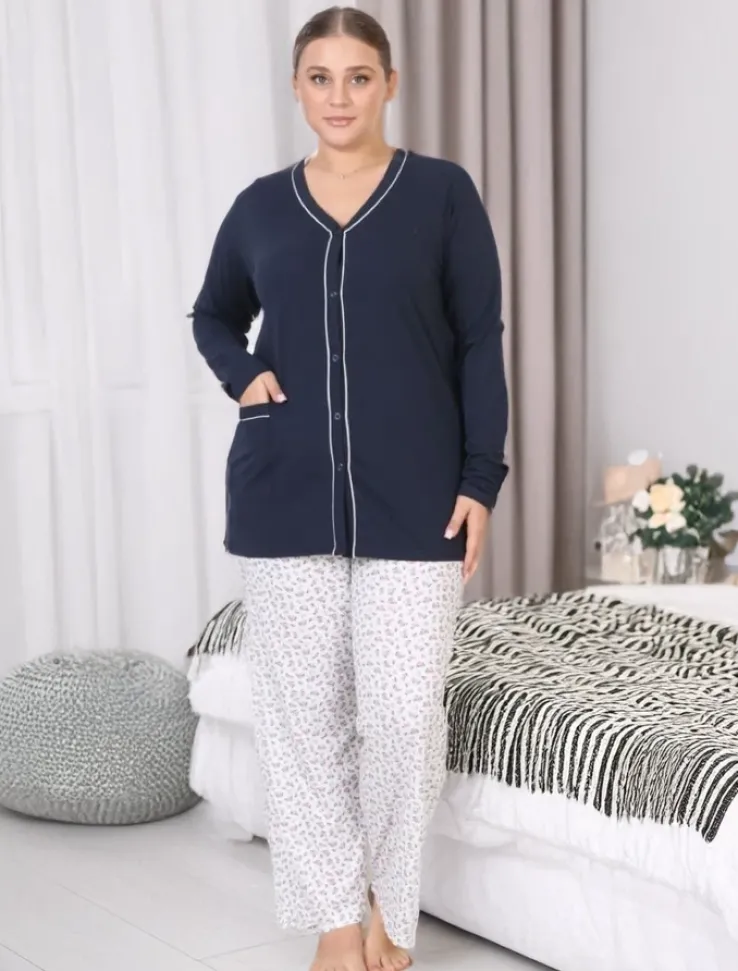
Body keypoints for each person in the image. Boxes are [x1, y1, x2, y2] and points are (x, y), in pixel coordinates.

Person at [190, 6, 508, 970]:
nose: (339, 96)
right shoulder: (259, 207)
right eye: (320, 78)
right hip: (282, 494)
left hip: (419, 496)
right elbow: (212, 314)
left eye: (358, 77)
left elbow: (478, 343)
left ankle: (391, 912)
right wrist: (243, 374)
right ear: (297, 88)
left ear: (389, 85)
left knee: (403, 718)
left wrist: (481, 479)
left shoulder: (442, 194)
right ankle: (336, 918)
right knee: (303, 720)